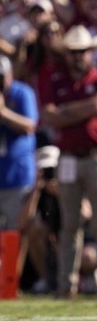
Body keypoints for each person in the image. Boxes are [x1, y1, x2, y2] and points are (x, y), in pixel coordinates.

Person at [38, 25, 97, 301]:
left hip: (96, 156)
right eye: (74, 52)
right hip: (69, 158)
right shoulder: (56, 80)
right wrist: (83, 110)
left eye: (83, 51)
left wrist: (67, 112)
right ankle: (66, 285)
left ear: (91, 52)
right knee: (69, 224)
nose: (79, 56)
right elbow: (49, 116)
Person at [0, 54, 37, 231]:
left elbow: (30, 125)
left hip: (17, 177)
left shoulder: (22, 93)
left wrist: (3, 112)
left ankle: (12, 261)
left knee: (13, 233)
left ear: (10, 75)